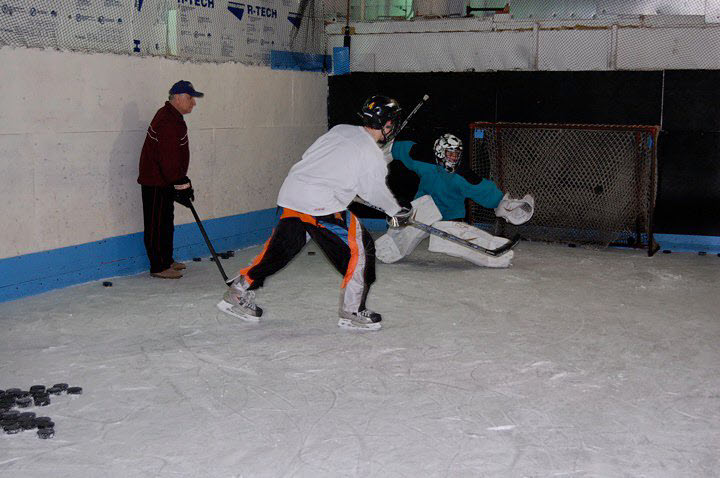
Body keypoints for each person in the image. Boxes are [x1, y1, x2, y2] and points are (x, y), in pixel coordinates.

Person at [217, 95, 412, 331]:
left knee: (280, 250)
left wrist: (343, 186)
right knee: (361, 249)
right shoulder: (371, 153)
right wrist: (396, 211)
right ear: (387, 124)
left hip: (292, 194)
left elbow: (318, 161)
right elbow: (373, 191)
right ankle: (352, 310)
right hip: (320, 205)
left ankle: (237, 291)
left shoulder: (340, 130)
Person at [375, 133, 534, 267]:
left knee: (448, 239)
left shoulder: (463, 175)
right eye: (450, 154)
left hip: (450, 216)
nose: (453, 158)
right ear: (439, 152)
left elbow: (484, 190)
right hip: (424, 208)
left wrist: (504, 204)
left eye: (456, 154)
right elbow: (397, 148)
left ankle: (495, 251)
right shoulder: (422, 160)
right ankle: (392, 244)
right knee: (408, 226)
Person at [137, 80, 203, 279]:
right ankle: (158, 266)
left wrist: (179, 184)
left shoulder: (173, 117)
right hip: (157, 182)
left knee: (166, 221)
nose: (193, 103)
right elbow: (169, 160)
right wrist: (182, 184)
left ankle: (166, 259)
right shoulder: (167, 121)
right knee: (157, 224)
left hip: (164, 181)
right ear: (177, 98)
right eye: (190, 98)